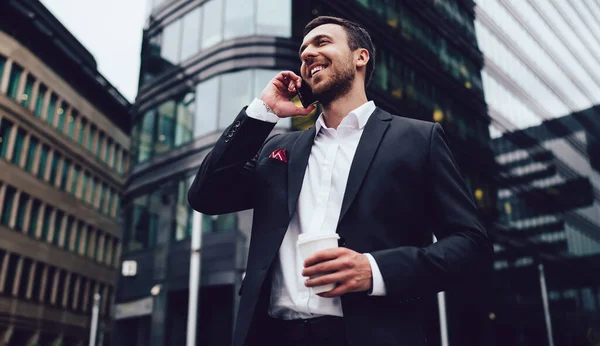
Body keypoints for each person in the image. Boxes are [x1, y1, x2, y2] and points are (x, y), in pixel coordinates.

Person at [188, 16, 492, 346]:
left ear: (360, 57)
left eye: (321, 43)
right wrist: (263, 111)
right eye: (303, 50)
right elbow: (206, 195)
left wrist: (376, 270)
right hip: (274, 335)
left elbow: (470, 244)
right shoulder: (279, 149)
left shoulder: (419, 138)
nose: (306, 55)